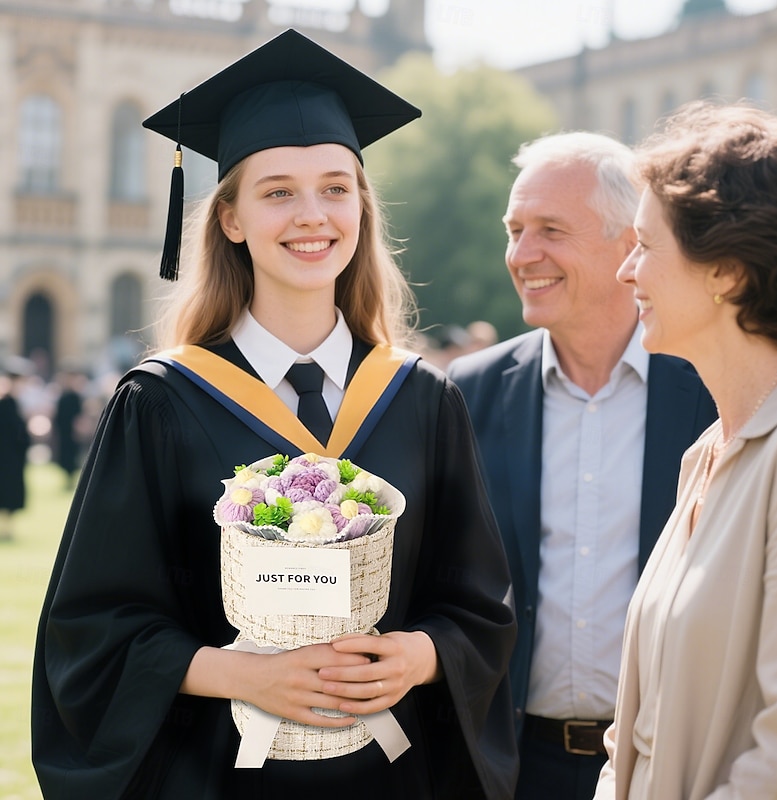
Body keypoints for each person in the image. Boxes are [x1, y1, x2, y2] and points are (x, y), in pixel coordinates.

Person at [31, 29, 517, 800]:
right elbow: (93, 630)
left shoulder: (423, 399)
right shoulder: (161, 403)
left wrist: (420, 656)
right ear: (230, 218)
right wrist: (240, 674)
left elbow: (478, 607)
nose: (312, 215)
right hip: (214, 777)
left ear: (361, 206)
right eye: (278, 192)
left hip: (392, 780)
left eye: (335, 188)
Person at [447, 132, 716, 800]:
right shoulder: (466, 394)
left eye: (550, 230)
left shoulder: (713, 392)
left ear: (630, 244)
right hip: (512, 767)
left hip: (669, 765)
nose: (521, 255)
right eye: (514, 231)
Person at [596, 101, 777, 799]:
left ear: (727, 273)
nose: (626, 272)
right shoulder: (707, 453)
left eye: (646, 246)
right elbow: (634, 733)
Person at [0, 357, 32, 541]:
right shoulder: (5, 403)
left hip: (13, 457)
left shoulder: (13, 403)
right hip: (5, 457)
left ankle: (7, 528)